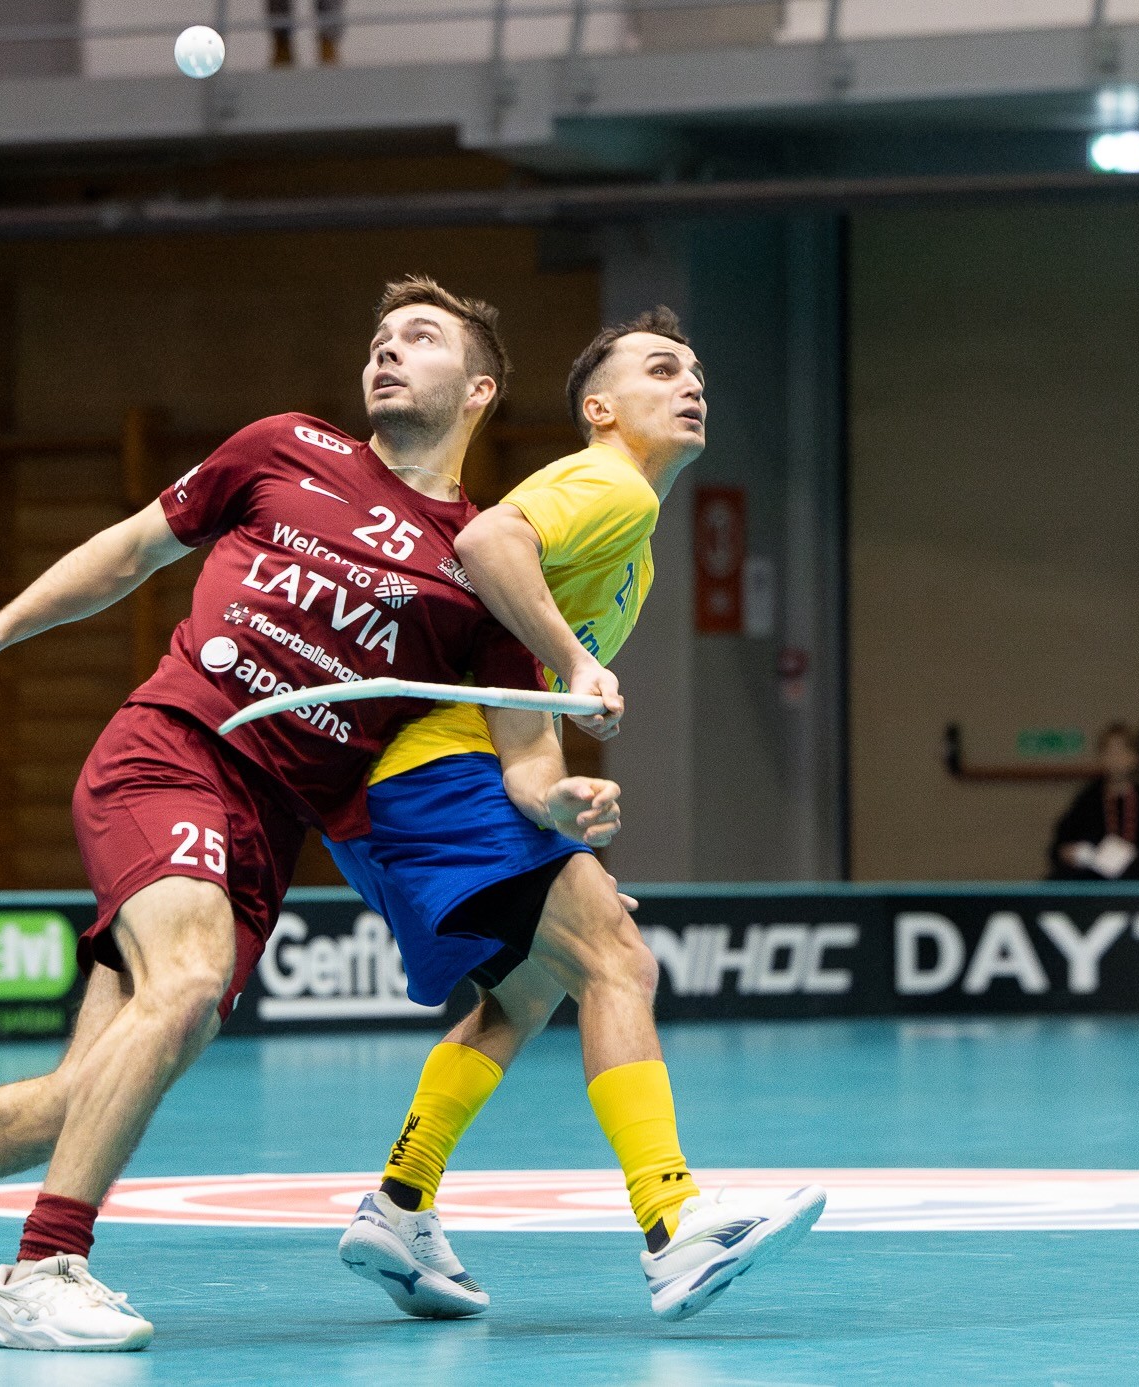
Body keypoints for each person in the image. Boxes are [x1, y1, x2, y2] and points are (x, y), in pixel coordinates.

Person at [0, 277, 618, 1353]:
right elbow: (131, 547)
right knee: (186, 983)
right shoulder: (285, 448)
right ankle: (41, 1267)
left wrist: (563, 801)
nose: (385, 351)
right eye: (378, 337)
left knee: (79, 1099)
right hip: (171, 753)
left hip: (267, 831)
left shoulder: (480, 564)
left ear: (477, 389)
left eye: (418, 338)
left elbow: (525, 752)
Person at [330, 308, 822, 1323]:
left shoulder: (632, 543)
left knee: (532, 988)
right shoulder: (609, 487)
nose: (690, 384)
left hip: (425, 782)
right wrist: (576, 657)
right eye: (661, 369)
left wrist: (550, 813)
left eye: (695, 371)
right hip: (435, 771)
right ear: (601, 408)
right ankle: (673, 1221)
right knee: (616, 962)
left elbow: (521, 686)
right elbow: (487, 539)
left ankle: (400, 1202)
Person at [1047, 722, 1139, 880]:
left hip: (1138, 887)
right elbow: (1060, 846)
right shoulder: (1086, 801)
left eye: (1121, 751)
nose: (1115, 758)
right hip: (1093, 886)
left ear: (1135, 757)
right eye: (1109, 752)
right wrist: (1069, 853)